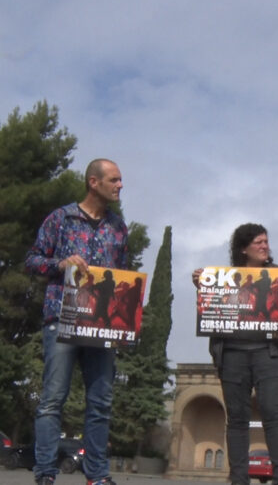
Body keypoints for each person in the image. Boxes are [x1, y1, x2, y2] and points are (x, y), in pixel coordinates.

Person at [25, 158, 128, 485]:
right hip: (62, 318)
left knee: (100, 403)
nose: (120, 185)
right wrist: (60, 263)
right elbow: (32, 261)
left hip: (101, 326)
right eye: (114, 179)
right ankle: (45, 473)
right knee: (52, 399)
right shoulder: (61, 218)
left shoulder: (119, 228)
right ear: (93, 182)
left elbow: (123, 275)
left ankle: (97, 476)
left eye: (121, 180)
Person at [192, 223, 278, 485]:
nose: (265, 246)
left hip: (270, 353)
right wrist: (202, 288)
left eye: (266, 241)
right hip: (233, 353)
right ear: (243, 249)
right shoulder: (224, 278)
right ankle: (238, 479)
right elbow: (213, 312)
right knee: (237, 419)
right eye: (258, 242)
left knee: (272, 412)